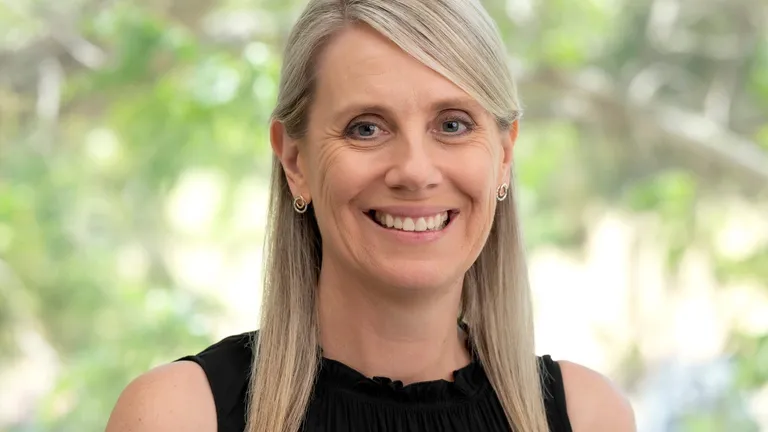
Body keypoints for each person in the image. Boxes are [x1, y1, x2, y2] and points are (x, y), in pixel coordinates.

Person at [106, 0, 636, 431]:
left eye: (452, 125)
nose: (414, 170)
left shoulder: (589, 417)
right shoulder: (177, 415)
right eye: (366, 127)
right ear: (295, 160)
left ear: (504, 154)